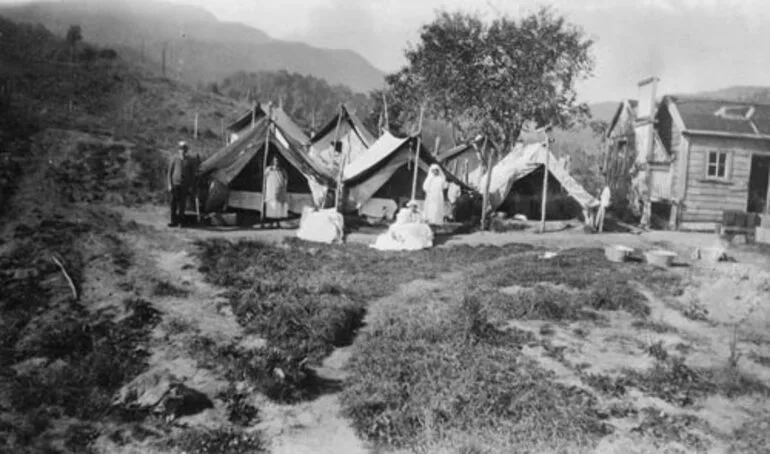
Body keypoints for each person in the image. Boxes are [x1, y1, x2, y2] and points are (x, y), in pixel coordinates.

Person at [167, 141, 196, 227]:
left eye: (184, 149)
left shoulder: (190, 161)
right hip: (175, 184)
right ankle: (173, 221)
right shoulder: (174, 159)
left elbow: (192, 175)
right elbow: (169, 173)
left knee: (182, 204)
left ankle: (181, 222)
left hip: (184, 185)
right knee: (173, 204)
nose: (182, 151)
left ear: (186, 150)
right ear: (179, 150)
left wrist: (191, 186)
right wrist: (169, 184)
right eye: (181, 149)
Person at [264, 156, 289, 227]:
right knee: (271, 204)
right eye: (275, 160)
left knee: (279, 204)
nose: (276, 162)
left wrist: (284, 187)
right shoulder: (269, 169)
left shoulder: (282, 169)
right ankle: (271, 222)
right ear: (272, 161)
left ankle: (278, 221)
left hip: (280, 188)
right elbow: (265, 177)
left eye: (277, 160)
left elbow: (286, 178)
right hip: (271, 189)